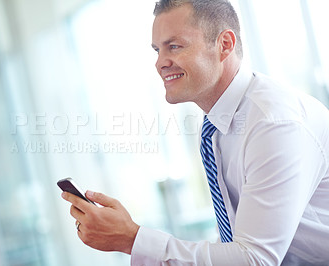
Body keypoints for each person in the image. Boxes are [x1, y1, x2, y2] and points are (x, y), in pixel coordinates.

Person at [62, 0, 329, 265]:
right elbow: (238, 245)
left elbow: (254, 259)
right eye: (157, 50)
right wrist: (132, 239)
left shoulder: (273, 124)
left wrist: (132, 240)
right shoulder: (221, 123)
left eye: (174, 46)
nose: (160, 63)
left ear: (224, 44)